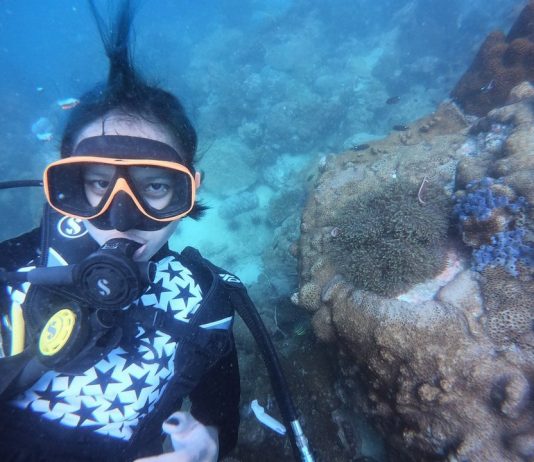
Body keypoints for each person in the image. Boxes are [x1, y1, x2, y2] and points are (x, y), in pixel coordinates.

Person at [0, 1, 241, 461]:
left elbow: (219, 423)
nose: (121, 219)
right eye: (98, 183)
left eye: (155, 186)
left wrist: (207, 447)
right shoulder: (11, 272)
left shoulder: (205, 308)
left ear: (190, 189)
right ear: (69, 184)